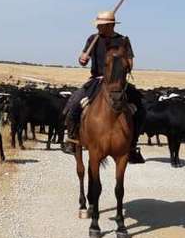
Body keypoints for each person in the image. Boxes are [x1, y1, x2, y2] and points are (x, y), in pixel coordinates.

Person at [61, 10, 144, 164]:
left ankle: (132, 145)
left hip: (118, 82)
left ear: (110, 25)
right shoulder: (93, 38)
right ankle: (72, 140)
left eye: (102, 25)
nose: (99, 28)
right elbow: (83, 57)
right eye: (98, 25)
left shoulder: (123, 40)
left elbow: (131, 62)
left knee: (140, 107)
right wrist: (82, 59)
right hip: (97, 80)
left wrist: (123, 62)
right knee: (73, 104)